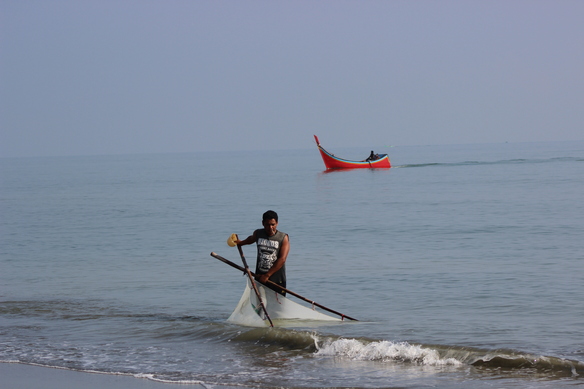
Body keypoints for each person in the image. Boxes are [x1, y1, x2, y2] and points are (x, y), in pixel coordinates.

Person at [236, 210, 290, 295]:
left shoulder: (283, 237)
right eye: (267, 225)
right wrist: (240, 242)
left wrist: (267, 275)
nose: (270, 227)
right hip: (260, 278)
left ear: (277, 223)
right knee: (260, 305)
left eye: (273, 224)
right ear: (263, 223)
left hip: (277, 280)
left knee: (277, 306)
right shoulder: (258, 233)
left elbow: (282, 259)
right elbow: (251, 239)